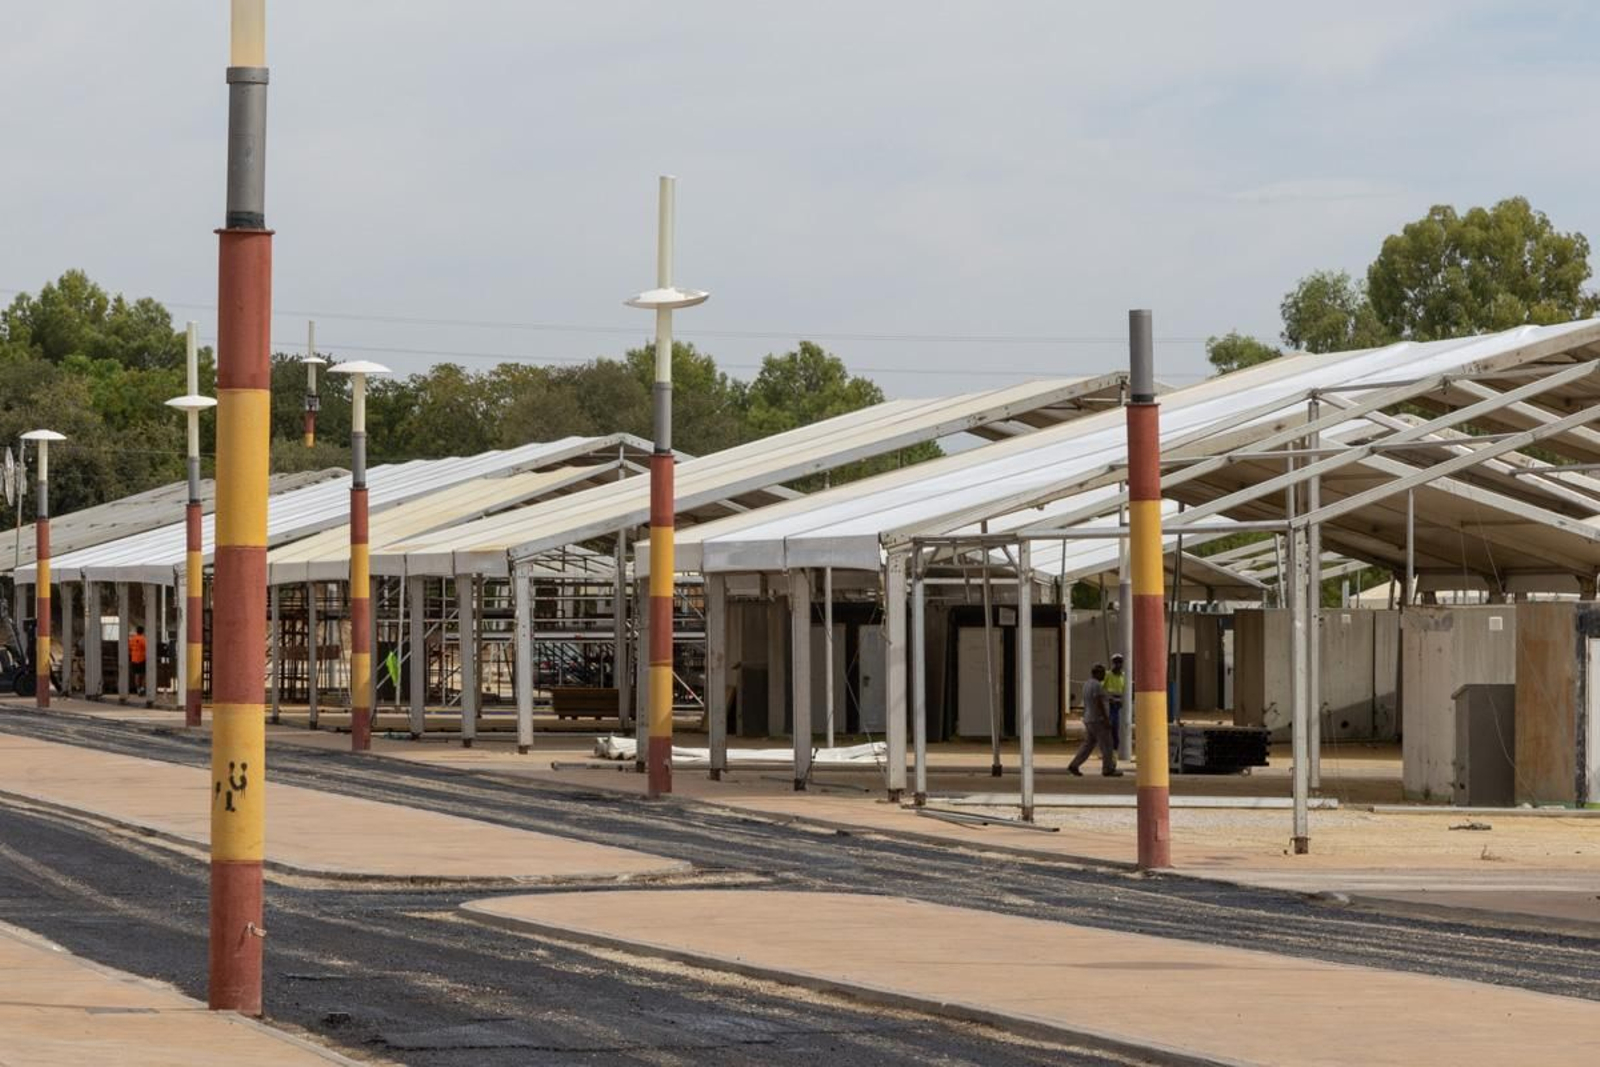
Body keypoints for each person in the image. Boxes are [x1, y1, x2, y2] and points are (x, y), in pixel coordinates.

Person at [1069, 663, 1122, 777]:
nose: (1104, 675)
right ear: (1097, 673)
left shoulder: (1087, 684)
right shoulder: (1097, 685)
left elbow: (1095, 699)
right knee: (1107, 744)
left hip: (1089, 718)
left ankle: (1074, 765)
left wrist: (1109, 700)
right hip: (1099, 719)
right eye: (1102, 673)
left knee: (1088, 745)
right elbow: (1098, 701)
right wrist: (1106, 718)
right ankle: (1108, 769)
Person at [1104, 653, 1127, 749]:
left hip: (1119, 703)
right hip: (1109, 703)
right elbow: (1102, 688)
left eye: (1120, 663)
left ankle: (1114, 748)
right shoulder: (1108, 675)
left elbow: (1125, 689)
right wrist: (1109, 698)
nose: (1118, 665)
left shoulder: (1123, 676)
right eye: (1116, 663)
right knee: (1110, 725)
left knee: (1116, 728)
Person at [129, 625, 148, 693]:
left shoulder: (132, 639)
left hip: (134, 659)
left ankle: (138, 689)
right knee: (144, 674)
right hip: (142, 658)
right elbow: (147, 648)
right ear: (143, 631)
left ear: (137, 631)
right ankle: (142, 688)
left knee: (136, 674)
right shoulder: (143, 639)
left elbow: (130, 648)